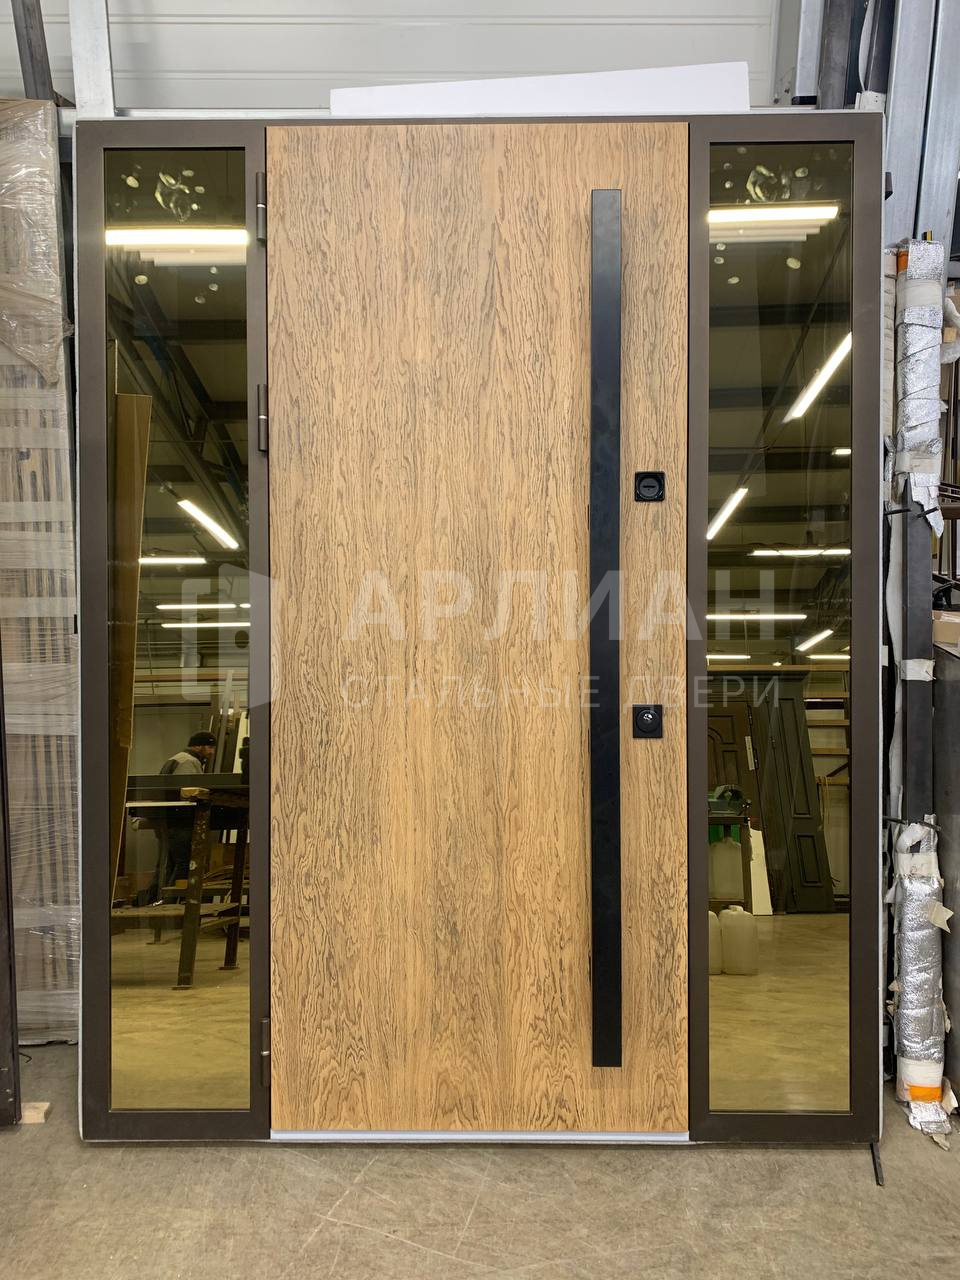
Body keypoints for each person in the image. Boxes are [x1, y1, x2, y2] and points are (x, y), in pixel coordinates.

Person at [151, 731, 218, 898]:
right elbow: (187, 793)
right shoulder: (188, 761)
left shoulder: (179, 758)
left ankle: (158, 900)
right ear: (198, 746)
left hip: (169, 819)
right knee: (183, 863)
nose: (212, 752)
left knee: (168, 863)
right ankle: (173, 902)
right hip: (179, 820)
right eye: (209, 747)